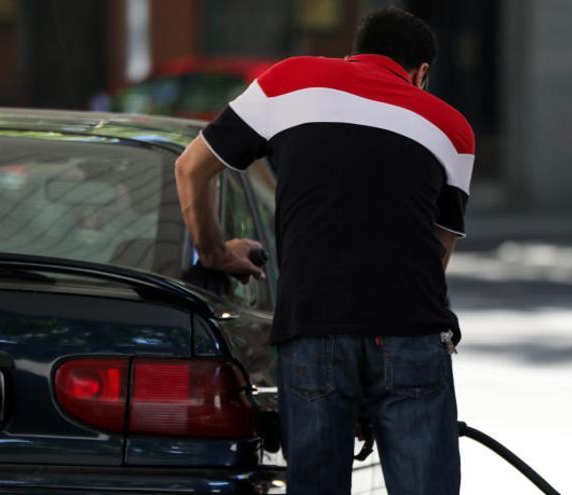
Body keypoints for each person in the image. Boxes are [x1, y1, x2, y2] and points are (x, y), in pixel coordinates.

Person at [174, 6, 474, 494]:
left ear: (352, 54)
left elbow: (191, 167)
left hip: (313, 328)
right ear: (421, 73)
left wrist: (213, 252)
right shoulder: (452, 127)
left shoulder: (289, 80)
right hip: (411, 333)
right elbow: (435, 254)